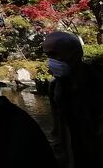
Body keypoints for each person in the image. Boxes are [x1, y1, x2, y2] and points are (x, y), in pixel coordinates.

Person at [43, 31, 103, 167]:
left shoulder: (98, 81)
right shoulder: (55, 88)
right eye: (47, 56)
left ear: (74, 54)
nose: (50, 62)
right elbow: (58, 127)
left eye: (54, 55)